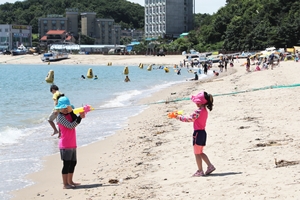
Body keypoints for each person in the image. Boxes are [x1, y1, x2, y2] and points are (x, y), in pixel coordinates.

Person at [176, 91, 215, 177]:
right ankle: (210, 166)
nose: (196, 103)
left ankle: (200, 170)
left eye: (197, 101)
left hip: (198, 133)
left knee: (197, 153)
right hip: (203, 133)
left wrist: (178, 117)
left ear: (200, 102)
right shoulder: (204, 110)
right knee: (200, 152)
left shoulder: (198, 111)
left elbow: (189, 119)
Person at [55, 96, 85, 189]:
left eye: (66, 108)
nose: (64, 110)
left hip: (72, 143)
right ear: (59, 108)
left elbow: (75, 119)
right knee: (66, 164)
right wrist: (79, 117)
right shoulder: (60, 117)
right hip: (65, 144)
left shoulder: (69, 114)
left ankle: (70, 181)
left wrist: (74, 113)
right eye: (63, 108)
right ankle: (65, 184)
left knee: (73, 163)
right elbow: (71, 126)